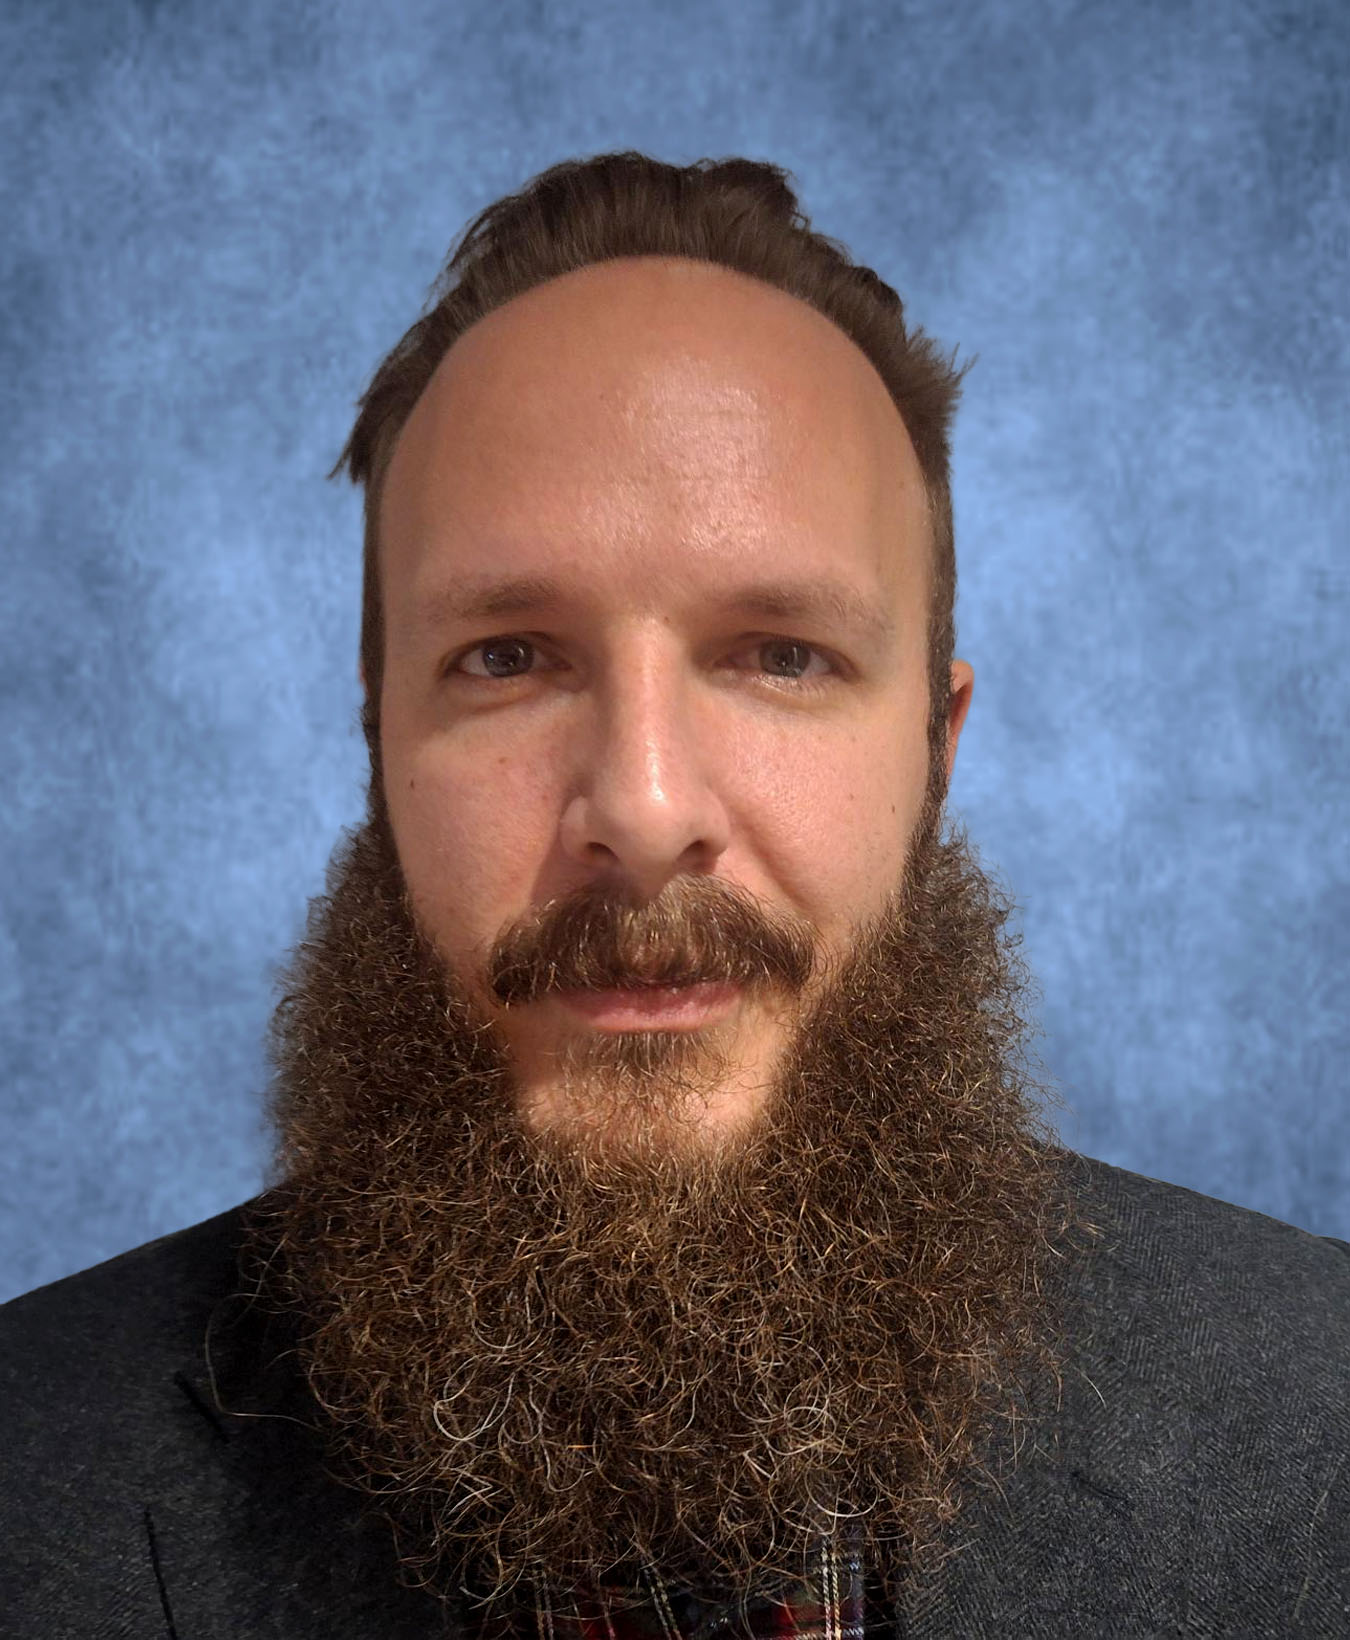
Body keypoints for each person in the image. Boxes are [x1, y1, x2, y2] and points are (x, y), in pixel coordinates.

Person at [2, 152, 1346, 1640]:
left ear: (934, 746)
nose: (642, 813)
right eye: (507, 658)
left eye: (781, 656)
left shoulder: (1319, 1429)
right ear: (378, 740)